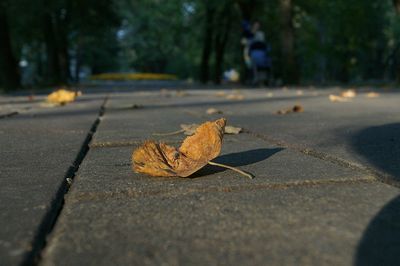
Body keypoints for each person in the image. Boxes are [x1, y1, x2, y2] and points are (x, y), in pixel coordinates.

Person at [241, 20, 271, 85]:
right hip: (250, 52)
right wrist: (248, 42)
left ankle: (261, 79)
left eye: (258, 25)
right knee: (250, 65)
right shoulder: (248, 33)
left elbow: (263, 43)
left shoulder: (261, 33)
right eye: (255, 25)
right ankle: (251, 79)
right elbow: (243, 41)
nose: (256, 27)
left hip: (259, 52)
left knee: (261, 65)